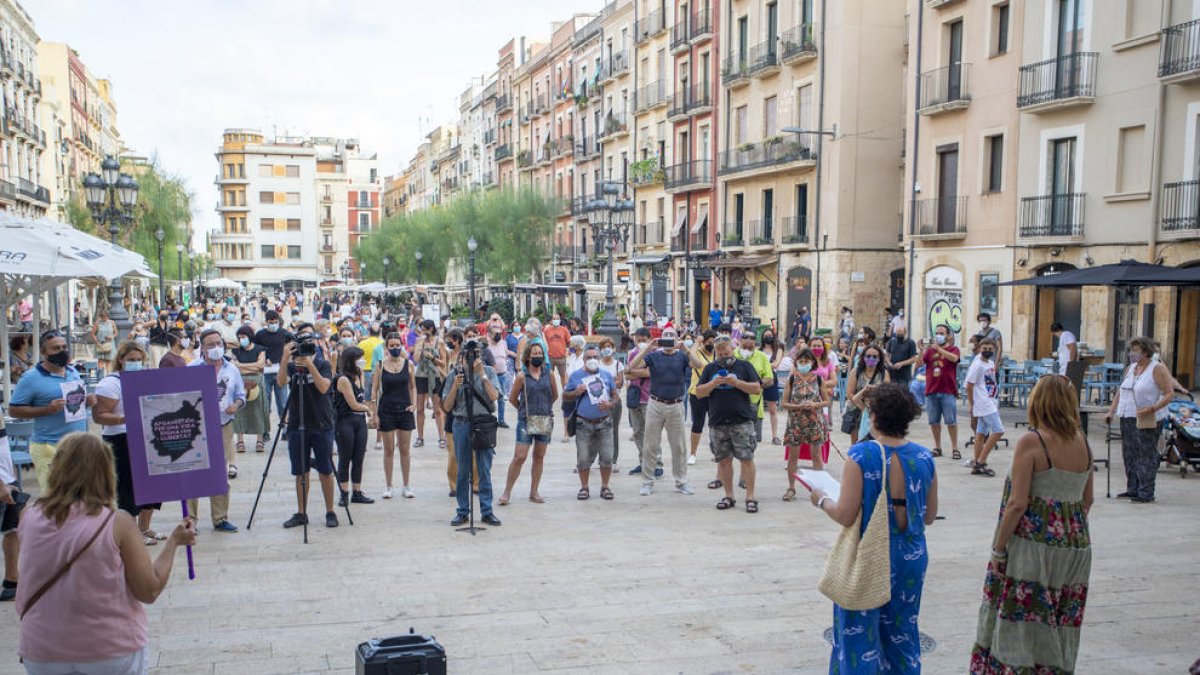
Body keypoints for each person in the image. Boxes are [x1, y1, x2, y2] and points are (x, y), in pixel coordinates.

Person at [15, 432, 197, 674]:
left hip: (42, 648)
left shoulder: (28, 517)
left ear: (56, 467)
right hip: (108, 648)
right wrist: (173, 542)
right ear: (106, 471)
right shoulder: (117, 523)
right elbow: (149, 589)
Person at [811, 383, 938, 673]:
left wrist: (821, 500)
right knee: (903, 632)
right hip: (910, 555)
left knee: (858, 634)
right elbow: (929, 515)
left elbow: (845, 514)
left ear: (875, 417)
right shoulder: (923, 458)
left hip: (870, 554)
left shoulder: (862, 455)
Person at [971, 375, 1093, 673]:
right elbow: (1086, 501)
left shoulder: (1033, 440)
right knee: (1061, 620)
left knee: (1021, 621)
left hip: (1033, 546)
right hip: (1076, 547)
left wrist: (999, 550)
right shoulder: (1082, 441)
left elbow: (1017, 503)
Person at [92, 342, 165, 547]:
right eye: (131, 359)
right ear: (121, 359)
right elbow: (99, 416)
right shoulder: (110, 383)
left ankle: (145, 527)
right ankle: (131, 533)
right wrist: (127, 418)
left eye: (138, 359)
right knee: (128, 487)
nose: (135, 363)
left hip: (147, 437)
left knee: (152, 486)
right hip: (120, 438)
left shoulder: (145, 379)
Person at [9, 332, 92, 490]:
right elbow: (14, 410)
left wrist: (86, 402)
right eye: (56, 348)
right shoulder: (30, 378)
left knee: (80, 498)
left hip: (78, 446)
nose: (62, 351)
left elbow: (74, 403)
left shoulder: (72, 372)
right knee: (55, 501)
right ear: (43, 352)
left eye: (64, 347)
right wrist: (46, 409)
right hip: (49, 448)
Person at [277, 324, 339, 529]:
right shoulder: (292, 364)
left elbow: (323, 387)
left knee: (325, 470)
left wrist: (309, 364)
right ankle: (301, 513)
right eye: (302, 342)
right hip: (297, 423)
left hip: (321, 423)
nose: (306, 345)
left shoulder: (323, 364)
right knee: (300, 471)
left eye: (310, 341)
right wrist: (285, 358)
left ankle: (330, 511)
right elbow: (280, 382)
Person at [626, 328, 700, 497]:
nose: (668, 339)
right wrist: (648, 347)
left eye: (671, 336)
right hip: (655, 404)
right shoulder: (653, 356)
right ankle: (647, 482)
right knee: (650, 445)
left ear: (676, 339)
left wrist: (686, 349)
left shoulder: (681, 356)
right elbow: (633, 366)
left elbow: (698, 365)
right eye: (665, 336)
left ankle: (681, 481)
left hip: (676, 404)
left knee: (679, 446)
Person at [696, 336, 763, 513]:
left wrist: (737, 383)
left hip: (741, 420)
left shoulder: (744, 366)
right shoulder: (710, 369)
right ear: (715, 354)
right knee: (724, 460)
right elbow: (699, 392)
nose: (724, 357)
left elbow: (757, 388)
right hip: (718, 421)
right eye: (720, 354)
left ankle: (750, 496)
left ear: (733, 349)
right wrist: (714, 383)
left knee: (746, 458)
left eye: (726, 353)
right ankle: (729, 495)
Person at [1105, 336, 1175, 503]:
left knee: (1145, 454)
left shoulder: (1156, 368)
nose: (1132, 353)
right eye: (1132, 350)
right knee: (1129, 453)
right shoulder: (1131, 369)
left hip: (1148, 417)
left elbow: (1169, 393)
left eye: (1136, 350)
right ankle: (1133, 488)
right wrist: (1111, 411)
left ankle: (1146, 491)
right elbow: (1121, 391)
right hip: (1127, 415)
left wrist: (1153, 408)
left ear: (1145, 352)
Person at [187, 330, 243, 532]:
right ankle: (191, 519)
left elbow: (240, 395)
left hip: (223, 426)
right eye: (210, 344)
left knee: (220, 473)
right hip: (196, 428)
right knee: (193, 472)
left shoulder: (232, 369)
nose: (216, 348)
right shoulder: (192, 368)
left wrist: (236, 405)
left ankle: (220, 518)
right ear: (202, 347)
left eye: (219, 343)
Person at [442, 341, 502, 527]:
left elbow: (494, 397)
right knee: (462, 471)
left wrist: (481, 375)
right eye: (469, 354)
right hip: (461, 423)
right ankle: (462, 511)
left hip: (483, 423)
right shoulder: (454, 374)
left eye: (476, 353)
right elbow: (447, 406)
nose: (472, 357)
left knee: (484, 469)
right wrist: (455, 386)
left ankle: (486, 511)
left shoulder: (489, 372)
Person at [500, 342, 557, 505]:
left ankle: (534, 491)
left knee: (539, 456)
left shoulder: (549, 374)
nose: (537, 356)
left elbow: (554, 395)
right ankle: (507, 491)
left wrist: (545, 407)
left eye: (540, 353)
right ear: (528, 357)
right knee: (519, 456)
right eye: (534, 354)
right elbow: (512, 398)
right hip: (526, 421)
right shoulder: (521, 377)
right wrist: (523, 410)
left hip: (544, 419)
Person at [564, 345, 617, 500]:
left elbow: (615, 395)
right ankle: (584, 487)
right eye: (589, 357)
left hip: (605, 422)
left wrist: (610, 404)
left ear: (599, 359)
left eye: (595, 357)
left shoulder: (606, 375)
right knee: (583, 458)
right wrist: (575, 392)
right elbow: (565, 396)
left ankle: (605, 486)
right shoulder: (576, 376)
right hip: (583, 424)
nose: (592, 360)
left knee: (607, 457)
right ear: (584, 359)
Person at [782, 348, 832, 502]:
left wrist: (814, 404)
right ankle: (791, 487)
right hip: (795, 422)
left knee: (816, 455)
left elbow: (827, 401)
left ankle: (818, 488)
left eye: (807, 361)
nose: (804, 364)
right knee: (793, 456)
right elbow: (784, 403)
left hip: (814, 421)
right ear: (796, 362)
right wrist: (798, 407)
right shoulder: (791, 379)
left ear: (812, 363)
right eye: (801, 361)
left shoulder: (818, 380)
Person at [373, 333, 417, 499]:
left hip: (405, 410)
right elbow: (375, 390)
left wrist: (414, 403)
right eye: (391, 346)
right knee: (389, 449)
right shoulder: (380, 365)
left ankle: (406, 485)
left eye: (397, 345)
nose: (395, 348)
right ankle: (388, 485)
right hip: (386, 410)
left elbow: (413, 386)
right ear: (386, 347)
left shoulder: (409, 365)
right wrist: (374, 412)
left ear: (401, 345)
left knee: (405, 449)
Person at [333, 346, 374, 506]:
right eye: (359, 358)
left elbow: (362, 397)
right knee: (345, 457)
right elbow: (353, 404)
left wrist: (365, 408)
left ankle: (357, 491)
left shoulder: (360, 374)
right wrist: (368, 409)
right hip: (345, 421)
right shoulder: (343, 379)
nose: (362, 361)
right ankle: (344, 492)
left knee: (359, 457)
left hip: (359, 422)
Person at [922, 324, 961, 460]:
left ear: (948, 335)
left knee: (951, 421)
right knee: (934, 422)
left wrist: (939, 349)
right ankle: (937, 446)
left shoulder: (954, 349)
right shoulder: (930, 351)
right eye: (937, 332)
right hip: (931, 390)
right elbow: (920, 363)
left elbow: (954, 359)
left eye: (941, 333)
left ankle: (955, 448)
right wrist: (922, 349)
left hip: (947, 390)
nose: (938, 335)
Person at [965, 338, 1004, 477]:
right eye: (984, 348)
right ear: (979, 349)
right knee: (998, 431)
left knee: (980, 433)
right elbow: (969, 385)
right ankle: (982, 461)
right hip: (983, 403)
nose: (987, 351)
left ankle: (976, 463)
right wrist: (972, 404)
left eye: (990, 348)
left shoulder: (990, 363)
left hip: (990, 400)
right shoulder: (977, 365)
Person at [625, 328, 659, 477]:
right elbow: (627, 375)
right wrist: (636, 372)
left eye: (642, 340)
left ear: (649, 339)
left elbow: (650, 373)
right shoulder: (632, 354)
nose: (640, 343)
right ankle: (642, 462)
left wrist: (634, 372)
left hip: (649, 397)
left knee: (652, 433)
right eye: (637, 340)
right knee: (638, 432)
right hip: (634, 397)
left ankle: (657, 463)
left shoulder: (655, 355)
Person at [231, 325, 269, 454]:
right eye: (240, 337)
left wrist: (241, 365)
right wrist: (253, 367)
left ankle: (260, 440)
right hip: (240, 381)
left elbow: (261, 365)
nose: (242, 340)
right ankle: (240, 441)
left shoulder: (260, 349)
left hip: (257, 381)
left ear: (250, 337)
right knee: (239, 412)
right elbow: (235, 368)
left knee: (258, 410)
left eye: (244, 337)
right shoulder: (236, 351)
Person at [412, 320, 448, 449]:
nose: (423, 332)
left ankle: (442, 437)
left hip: (435, 376)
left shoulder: (439, 342)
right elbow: (415, 359)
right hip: (421, 376)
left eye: (425, 329)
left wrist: (432, 358)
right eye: (422, 330)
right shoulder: (419, 341)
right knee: (420, 408)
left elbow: (443, 363)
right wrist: (421, 345)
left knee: (437, 408)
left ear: (431, 328)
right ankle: (420, 437)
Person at [253, 310, 292, 427]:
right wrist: (264, 359)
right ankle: (265, 429)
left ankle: (284, 427)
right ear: (266, 322)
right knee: (265, 402)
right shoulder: (260, 335)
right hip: (265, 372)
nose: (274, 324)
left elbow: (289, 348)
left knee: (283, 402)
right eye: (271, 322)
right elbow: (255, 349)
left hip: (281, 371)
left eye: (276, 322)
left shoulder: (284, 333)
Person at [847, 343, 890, 444]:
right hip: (856, 411)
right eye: (868, 356)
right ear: (863, 357)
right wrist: (863, 408)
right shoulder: (855, 372)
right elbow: (849, 393)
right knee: (856, 444)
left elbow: (888, 393)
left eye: (875, 356)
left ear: (879, 358)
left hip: (877, 412)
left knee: (876, 442)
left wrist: (876, 389)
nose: (871, 358)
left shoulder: (884, 373)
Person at [0, 415, 23, 602]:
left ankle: (11, 580)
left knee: (13, 529)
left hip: (8, 478)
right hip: (2, 484)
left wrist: (10, 473)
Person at [687, 330, 716, 465]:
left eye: (713, 342)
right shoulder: (697, 352)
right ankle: (693, 454)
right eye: (708, 342)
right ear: (703, 342)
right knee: (698, 424)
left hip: (714, 394)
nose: (711, 345)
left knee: (715, 424)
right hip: (697, 393)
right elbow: (696, 364)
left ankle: (716, 451)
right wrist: (696, 343)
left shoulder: (717, 354)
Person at [596, 336, 625, 467]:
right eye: (604, 347)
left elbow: (619, 383)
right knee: (598, 430)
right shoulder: (596, 364)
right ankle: (600, 457)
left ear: (613, 349)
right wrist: (610, 383)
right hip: (598, 402)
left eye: (609, 346)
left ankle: (613, 459)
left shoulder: (618, 364)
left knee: (613, 430)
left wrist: (604, 383)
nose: (607, 349)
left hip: (614, 402)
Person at [761, 329, 785, 445]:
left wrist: (763, 366)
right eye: (766, 335)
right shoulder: (759, 350)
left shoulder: (778, 350)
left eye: (770, 335)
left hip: (771, 378)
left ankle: (774, 436)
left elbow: (776, 364)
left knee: (772, 408)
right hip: (759, 378)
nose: (768, 337)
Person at [486, 323, 512, 428]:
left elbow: (505, 355)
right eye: (495, 334)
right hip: (491, 376)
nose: (498, 336)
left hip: (502, 375)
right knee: (489, 397)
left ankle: (501, 420)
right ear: (490, 334)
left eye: (499, 334)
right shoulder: (487, 345)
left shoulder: (503, 343)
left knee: (501, 399)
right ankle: (489, 418)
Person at [542, 312, 572, 393]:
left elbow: (569, 341)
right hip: (550, 357)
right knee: (548, 376)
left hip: (561, 356)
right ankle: (549, 392)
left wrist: (568, 350)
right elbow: (543, 342)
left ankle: (565, 392)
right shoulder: (546, 330)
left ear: (560, 320)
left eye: (557, 319)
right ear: (551, 320)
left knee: (563, 375)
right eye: (554, 319)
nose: (556, 320)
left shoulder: (564, 329)